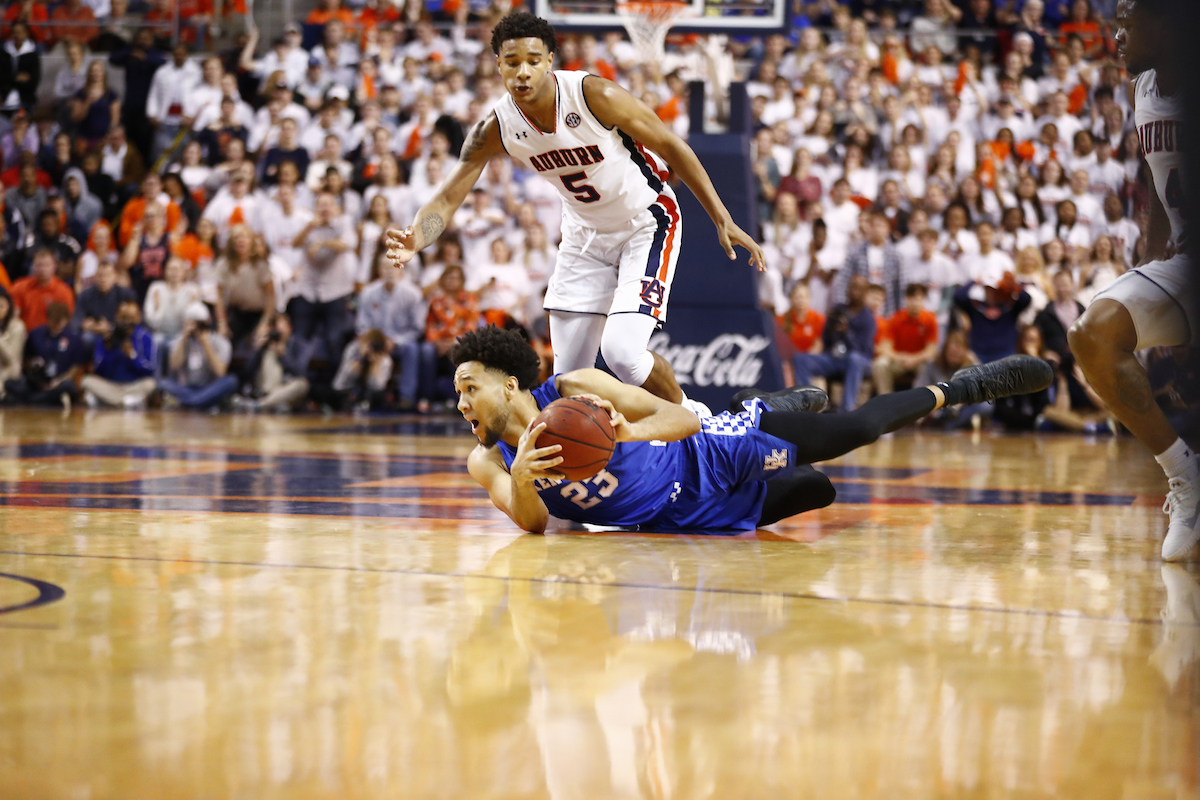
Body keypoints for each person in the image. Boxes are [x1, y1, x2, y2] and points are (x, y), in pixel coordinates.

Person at [385, 12, 764, 410]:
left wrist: (722, 216)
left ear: (550, 60)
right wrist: (417, 237)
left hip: (646, 222)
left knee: (622, 355)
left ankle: (696, 420)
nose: (523, 72)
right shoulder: (496, 127)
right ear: (498, 65)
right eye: (512, 62)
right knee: (569, 384)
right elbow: (447, 198)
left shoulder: (593, 95)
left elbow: (672, 145)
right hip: (584, 237)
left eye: (533, 60)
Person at [451, 325, 1051, 534]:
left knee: (855, 431)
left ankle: (960, 388)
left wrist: (626, 434)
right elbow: (529, 524)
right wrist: (526, 479)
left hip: (704, 458)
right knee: (817, 489)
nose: (462, 404)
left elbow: (681, 418)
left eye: (469, 388)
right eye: (457, 395)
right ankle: (758, 402)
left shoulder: (578, 388)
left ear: (509, 384)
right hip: (679, 518)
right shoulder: (489, 460)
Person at [1069, 0, 1200, 560]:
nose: (1115, 33)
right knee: (1092, 333)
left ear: (1170, 21)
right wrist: (1148, 272)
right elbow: (1154, 186)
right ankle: (1186, 478)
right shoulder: (1143, 87)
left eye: (1127, 20)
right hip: (1184, 262)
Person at [794, 274, 876, 412]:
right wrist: (831, 329)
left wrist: (847, 333)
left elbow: (864, 350)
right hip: (834, 358)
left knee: (854, 359)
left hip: (860, 362)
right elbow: (825, 341)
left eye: (858, 288)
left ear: (865, 293)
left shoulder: (867, 318)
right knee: (800, 359)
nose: (853, 291)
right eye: (851, 287)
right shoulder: (838, 309)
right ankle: (805, 406)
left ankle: (846, 410)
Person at [159, 301, 238, 410]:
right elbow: (174, 366)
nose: (196, 327)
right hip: (186, 388)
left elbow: (220, 372)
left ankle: (189, 403)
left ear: (207, 322)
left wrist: (206, 343)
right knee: (163, 383)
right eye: (193, 323)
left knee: (231, 381)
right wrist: (184, 338)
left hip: (209, 388)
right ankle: (200, 403)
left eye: (199, 323)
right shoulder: (181, 340)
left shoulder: (220, 342)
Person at [6, 301, 86, 408]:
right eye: (54, 320)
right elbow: (26, 361)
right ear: (48, 318)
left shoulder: (74, 339)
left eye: (60, 321)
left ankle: (35, 400)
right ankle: (44, 399)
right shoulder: (35, 334)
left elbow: (76, 367)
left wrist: (58, 381)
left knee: (68, 386)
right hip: (37, 383)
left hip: (60, 381)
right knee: (10, 384)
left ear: (67, 320)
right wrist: (35, 365)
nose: (56, 324)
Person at [80, 298, 157, 408]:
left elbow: (150, 369)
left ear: (138, 318)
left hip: (134, 385)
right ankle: (126, 402)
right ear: (117, 317)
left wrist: (132, 356)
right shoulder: (108, 336)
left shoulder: (146, 337)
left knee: (151, 384)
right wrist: (108, 349)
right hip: (110, 385)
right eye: (123, 318)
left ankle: (110, 401)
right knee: (86, 381)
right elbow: (97, 369)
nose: (126, 322)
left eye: (130, 318)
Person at [232, 314, 311, 413]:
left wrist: (283, 355)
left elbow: (300, 371)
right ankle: (272, 403)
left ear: (289, 329)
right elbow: (247, 372)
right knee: (269, 354)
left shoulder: (300, 345)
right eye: (275, 330)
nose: (278, 335)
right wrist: (259, 350)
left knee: (303, 384)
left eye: (281, 331)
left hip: (287, 389)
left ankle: (259, 405)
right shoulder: (267, 345)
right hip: (267, 389)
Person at [872, 284, 940, 396]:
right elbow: (884, 347)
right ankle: (885, 402)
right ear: (906, 299)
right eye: (911, 298)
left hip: (920, 362)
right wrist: (900, 357)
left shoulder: (930, 320)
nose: (915, 303)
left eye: (918, 299)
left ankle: (923, 404)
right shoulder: (896, 319)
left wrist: (914, 359)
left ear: (923, 300)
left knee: (930, 365)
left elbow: (931, 350)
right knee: (880, 364)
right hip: (899, 361)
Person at [11, 249, 75, 331]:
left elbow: (67, 319)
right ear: (33, 267)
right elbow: (13, 315)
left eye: (46, 265)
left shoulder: (64, 291)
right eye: (39, 265)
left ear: (54, 267)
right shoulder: (20, 287)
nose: (42, 269)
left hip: (51, 335)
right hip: (24, 335)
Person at [74, 260, 136, 343]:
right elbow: (76, 319)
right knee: (86, 338)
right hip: (93, 333)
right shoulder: (86, 295)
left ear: (115, 276)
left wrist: (110, 327)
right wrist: (84, 324)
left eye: (107, 275)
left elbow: (132, 322)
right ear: (95, 277)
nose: (103, 279)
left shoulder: (126, 295)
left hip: (118, 333)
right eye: (100, 276)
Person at [0, 287, 28, 402]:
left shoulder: (17, 327)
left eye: (1, 307)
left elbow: (11, 358)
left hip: (8, 370)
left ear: (9, 308)